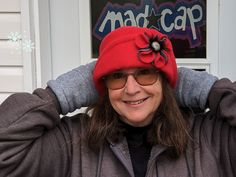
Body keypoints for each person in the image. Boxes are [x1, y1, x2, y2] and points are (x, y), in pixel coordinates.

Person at [0, 26, 235, 177]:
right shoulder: (73, 143)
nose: (131, 89)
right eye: (117, 76)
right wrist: (61, 94)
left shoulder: (210, 138)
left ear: (165, 81)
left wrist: (208, 89)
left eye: (145, 73)